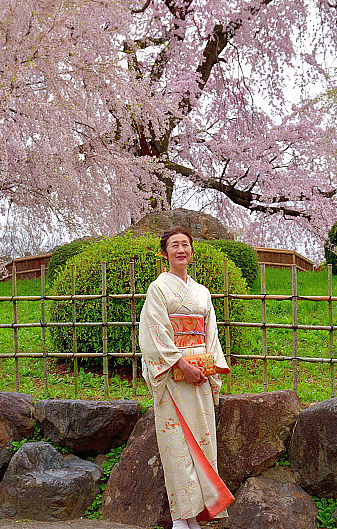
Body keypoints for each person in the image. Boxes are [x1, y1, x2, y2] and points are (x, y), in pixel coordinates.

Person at [138, 226, 234, 529]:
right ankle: (181, 517)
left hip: (200, 377)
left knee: (202, 444)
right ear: (164, 253)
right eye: (174, 245)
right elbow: (155, 333)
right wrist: (181, 363)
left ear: (191, 251)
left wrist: (208, 368)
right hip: (172, 377)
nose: (181, 250)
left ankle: (197, 516)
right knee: (177, 447)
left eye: (185, 245)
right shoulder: (158, 289)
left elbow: (211, 336)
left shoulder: (202, 292)